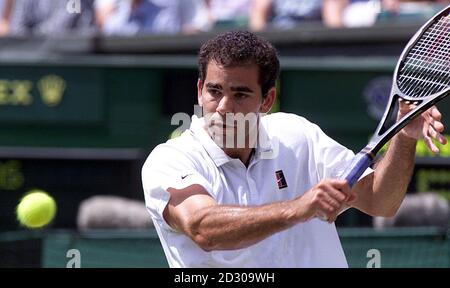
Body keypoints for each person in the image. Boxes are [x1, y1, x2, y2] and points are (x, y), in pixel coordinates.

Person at [141, 30, 447, 267]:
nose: (223, 107)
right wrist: (300, 208)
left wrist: (404, 138)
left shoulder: (297, 135)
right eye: (214, 91)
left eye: (240, 94)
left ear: (266, 100)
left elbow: (380, 200)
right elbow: (202, 228)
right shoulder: (170, 159)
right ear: (199, 89)